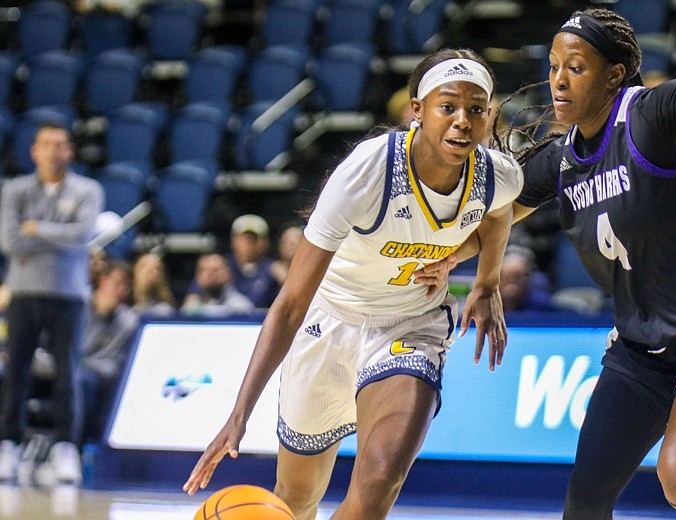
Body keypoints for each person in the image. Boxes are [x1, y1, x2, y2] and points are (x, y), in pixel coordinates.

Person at [435, 7, 676, 520]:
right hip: (641, 344)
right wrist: (427, 259)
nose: (558, 80)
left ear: (614, 74)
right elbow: (490, 223)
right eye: (553, 66)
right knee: (585, 502)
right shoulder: (560, 158)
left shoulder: (655, 114)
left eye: (575, 66)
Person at [182, 48, 523, 520]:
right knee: (295, 499)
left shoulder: (495, 175)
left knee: (380, 480)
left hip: (410, 325)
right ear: (417, 111)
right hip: (330, 319)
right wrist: (239, 414)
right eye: (448, 106)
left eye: (476, 108)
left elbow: (501, 212)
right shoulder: (369, 171)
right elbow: (290, 303)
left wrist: (486, 282)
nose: (463, 120)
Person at [0, 122, 104, 484]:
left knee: (67, 374)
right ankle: (9, 443)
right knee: (17, 371)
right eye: (46, 144)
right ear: (34, 151)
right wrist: (58, 232)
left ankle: (66, 448)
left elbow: (83, 235)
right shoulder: (15, 190)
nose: (53, 151)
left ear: (70, 151)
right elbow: (10, 240)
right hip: (24, 292)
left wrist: (37, 228)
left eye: (60, 144)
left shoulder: (87, 189)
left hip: (69, 294)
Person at [79, 259, 139, 444]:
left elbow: (114, 366)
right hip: (63, 366)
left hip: (97, 376)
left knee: (83, 380)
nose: (121, 290)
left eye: (126, 286)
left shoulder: (128, 320)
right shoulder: (79, 305)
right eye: (117, 283)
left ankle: (75, 445)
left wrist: (103, 318)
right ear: (103, 281)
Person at [180, 253, 256, 318]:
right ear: (197, 276)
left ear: (227, 273)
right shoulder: (191, 308)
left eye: (215, 270)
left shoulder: (241, 307)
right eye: (203, 270)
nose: (210, 274)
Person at [498, 245, 553, 312]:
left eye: (517, 277)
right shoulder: (486, 304)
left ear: (529, 277)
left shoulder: (542, 305)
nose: (511, 282)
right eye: (505, 276)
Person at [131, 252, 177, 317]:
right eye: (144, 266)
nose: (150, 271)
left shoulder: (165, 312)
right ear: (134, 273)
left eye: (157, 269)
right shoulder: (124, 309)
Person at [267, 222, 304, 289]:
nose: (288, 246)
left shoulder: (310, 268)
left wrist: (284, 279)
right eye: (284, 241)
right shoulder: (270, 268)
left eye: (292, 243)